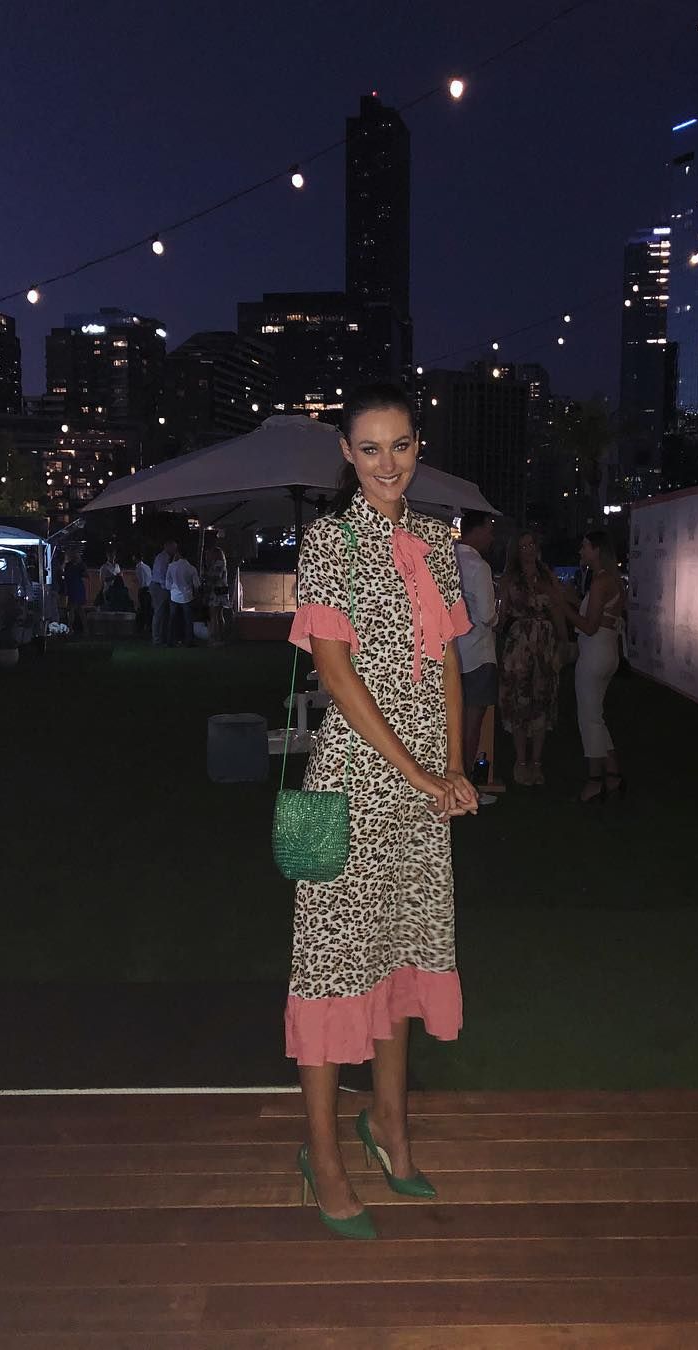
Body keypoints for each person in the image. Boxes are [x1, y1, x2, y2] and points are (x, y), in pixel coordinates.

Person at [287, 383, 477, 1240]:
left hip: (419, 792)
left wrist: (454, 766)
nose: (388, 463)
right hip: (347, 787)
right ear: (346, 453)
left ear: (418, 445)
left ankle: (391, 1126)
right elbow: (335, 674)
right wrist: (421, 773)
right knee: (330, 967)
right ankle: (323, 1152)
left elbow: (447, 664)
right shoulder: (329, 541)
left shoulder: (436, 541)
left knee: (404, 953)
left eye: (400, 445)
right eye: (370, 448)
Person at [560, 531, 626, 803]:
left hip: (595, 654)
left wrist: (562, 606)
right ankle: (613, 775)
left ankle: (595, 780)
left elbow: (589, 625)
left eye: (585, 546)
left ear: (597, 550)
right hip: (606, 652)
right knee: (596, 716)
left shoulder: (600, 581)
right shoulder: (611, 580)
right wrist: (573, 600)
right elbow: (599, 616)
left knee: (589, 719)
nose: (581, 551)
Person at [497, 531, 567, 786]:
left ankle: (536, 762)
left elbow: (557, 609)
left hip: (544, 646)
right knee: (519, 702)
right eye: (523, 545)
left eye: (531, 544)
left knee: (541, 701)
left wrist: (563, 643)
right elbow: (501, 614)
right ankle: (521, 760)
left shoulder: (547, 576)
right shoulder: (510, 578)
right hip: (519, 646)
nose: (527, 549)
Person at [454, 511, 498, 807]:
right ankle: (466, 786)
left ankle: (451, 781)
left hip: (452, 650)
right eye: (489, 530)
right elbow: (487, 614)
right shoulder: (479, 566)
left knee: (452, 722)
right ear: (477, 530)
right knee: (472, 723)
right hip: (478, 653)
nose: (491, 537)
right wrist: (498, 616)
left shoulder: (447, 558)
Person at [164, 545, 200, 647]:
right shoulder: (191, 568)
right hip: (187, 595)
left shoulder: (171, 566)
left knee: (172, 619)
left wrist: (171, 588)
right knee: (188, 620)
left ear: (178, 554)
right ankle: (189, 641)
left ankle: (170, 640)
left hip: (174, 595)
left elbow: (168, 583)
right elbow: (196, 584)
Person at [203, 541, 230, 646]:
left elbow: (215, 577)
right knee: (218, 614)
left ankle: (215, 638)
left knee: (214, 615)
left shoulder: (218, 564)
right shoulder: (221, 563)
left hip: (217, 591)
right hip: (221, 590)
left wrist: (206, 576)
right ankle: (220, 637)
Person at [150, 539, 176, 647]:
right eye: (173, 547)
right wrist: (167, 588)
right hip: (159, 586)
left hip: (160, 586)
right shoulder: (163, 558)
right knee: (159, 612)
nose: (174, 550)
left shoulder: (165, 557)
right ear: (167, 546)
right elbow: (161, 575)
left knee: (162, 613)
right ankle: (157, 639)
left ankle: (161, 637)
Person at [63, 548, 87, 635]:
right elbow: (85, 575)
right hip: (76, 587)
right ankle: (84, 628)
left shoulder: (72, 565)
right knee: (78, 608)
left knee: (73, 608)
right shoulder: (78, 565)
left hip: (74, 587)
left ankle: (71, 628)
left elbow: (65, 575)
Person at [133, 552, 153, 635]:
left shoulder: (139, 567)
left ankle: (142, 628)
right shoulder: (147, 566)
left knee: (142, 609)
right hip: (149, 589)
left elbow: (141, 580)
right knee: (148, 609)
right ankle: (148, 627)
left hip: (143, 589)